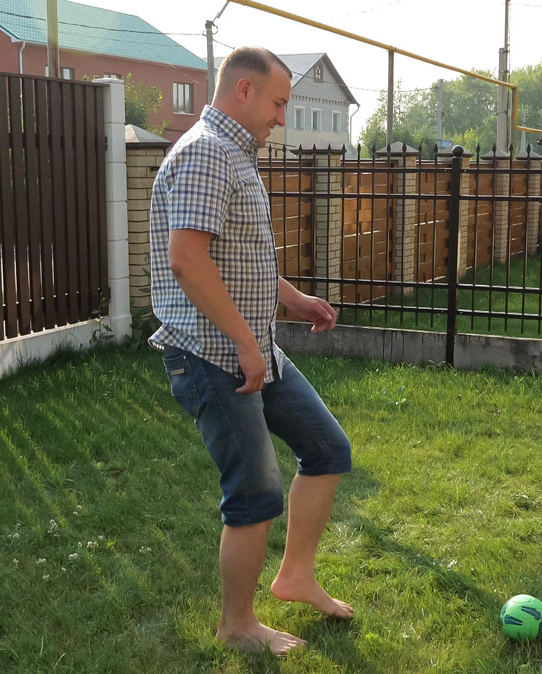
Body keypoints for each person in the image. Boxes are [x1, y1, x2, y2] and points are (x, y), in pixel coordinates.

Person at [148, 46, 353, 656]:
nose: (281, 118)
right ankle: (237, 624)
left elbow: (237, 256)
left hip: (250, 346)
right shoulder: (208, 154)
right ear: (243, 92)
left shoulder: (232, 152)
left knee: (326, 449)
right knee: (255, 491)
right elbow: (187, 260)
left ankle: (295, 577)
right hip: (214, 356)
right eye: (278, 103)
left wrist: (291, 299)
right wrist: (245, 342)